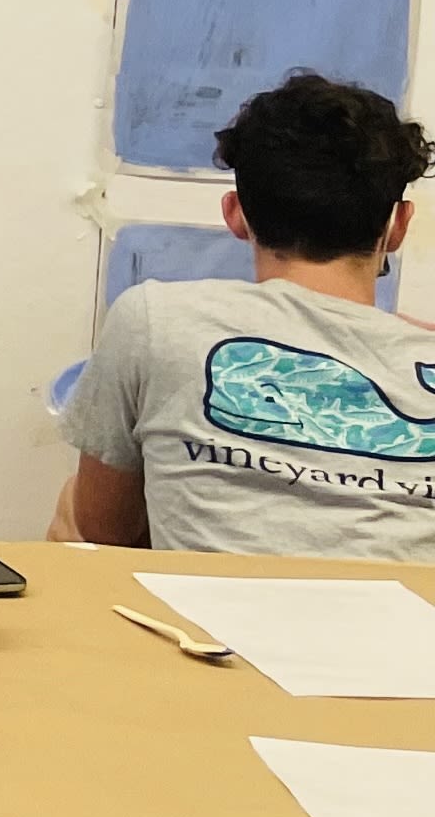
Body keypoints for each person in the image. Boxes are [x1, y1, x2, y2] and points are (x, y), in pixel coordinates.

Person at [62, 70, 435, 558]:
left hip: (212, 608)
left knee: (69, 511)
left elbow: (103, 531)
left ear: (236, 214)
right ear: (399, 225)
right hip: (409, 607)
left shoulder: (157, 318)